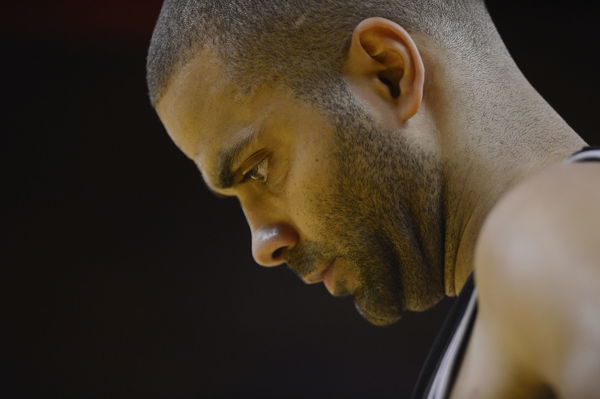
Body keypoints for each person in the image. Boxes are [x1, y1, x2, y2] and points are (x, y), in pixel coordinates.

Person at [146, 1, 600, 397]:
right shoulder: (509, 289)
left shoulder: (539, 229)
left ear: (390, 75)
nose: (263, 245)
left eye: (258, 168)